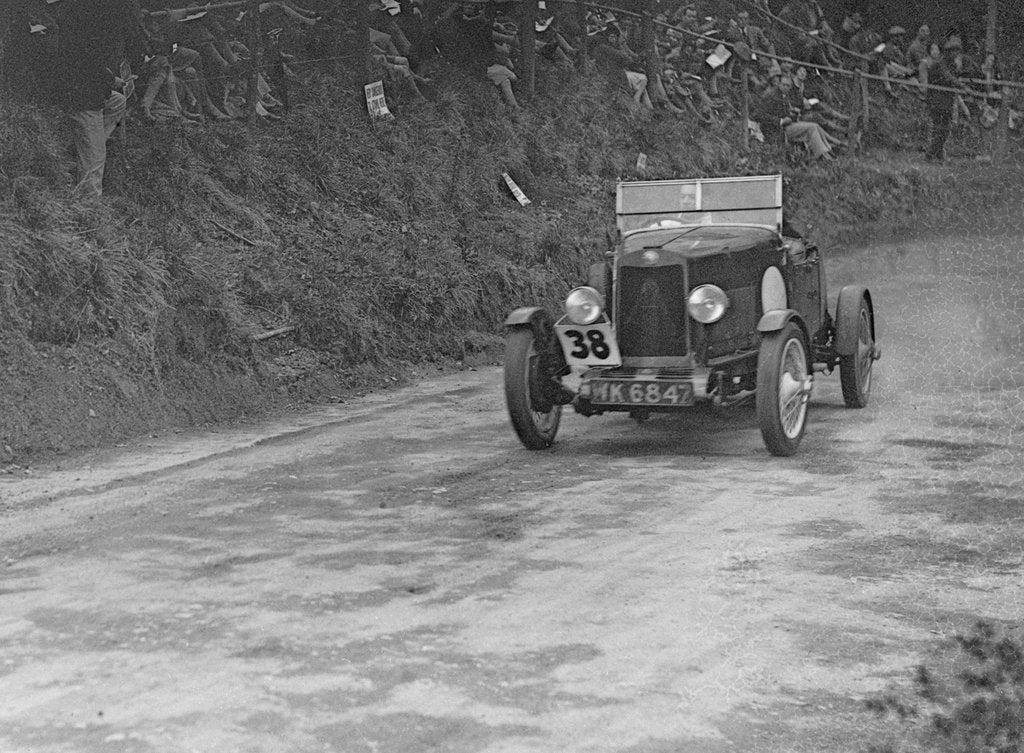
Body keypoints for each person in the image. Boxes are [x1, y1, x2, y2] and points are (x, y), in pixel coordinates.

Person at [57, 0, 149, 198]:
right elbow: (88, 64)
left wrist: (110, 80)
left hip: (85, 88)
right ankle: (89, 207)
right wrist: (109, 80)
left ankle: (83, 145)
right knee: (96, 160)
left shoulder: (87, 21)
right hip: (82, 98)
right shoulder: (97, 28)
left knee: (117, 102)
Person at [752, 75, 835, 161]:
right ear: (779, 84)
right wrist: (780, 121)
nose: (785, 87)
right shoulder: (771, 95)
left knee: (816, 126)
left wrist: (792, 114)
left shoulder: (783, 95)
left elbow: (784, 112)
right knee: (812, 127)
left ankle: (827, 151)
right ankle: (823, 155)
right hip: (775, 130)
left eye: (788, 86)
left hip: (785, 126)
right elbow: (759, 114)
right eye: (783, 84)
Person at [924, 36, 961, 162]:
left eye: (957, 51)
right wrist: (962, 86)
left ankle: (938, 154)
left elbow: (955, 77)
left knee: (944, 130)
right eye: (954, 51)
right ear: (948, 52)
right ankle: (930, 154)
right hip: (937, 100)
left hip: (947, 100)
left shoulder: (953, 65)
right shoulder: (941, 64)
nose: (956, 54)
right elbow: (948, 77)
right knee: (940, 129)